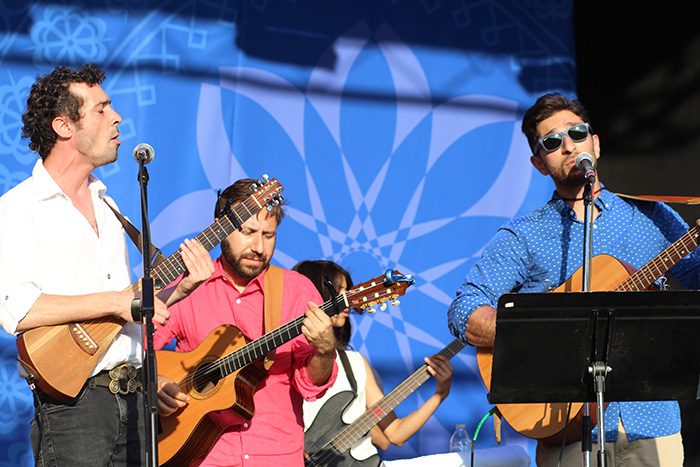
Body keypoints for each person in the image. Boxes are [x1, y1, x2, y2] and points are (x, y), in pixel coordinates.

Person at [447, 92, 700, 467]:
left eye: (577, 133)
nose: (568, 146)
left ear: (594, 143)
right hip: (564, 431)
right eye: (552, 142)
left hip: (652, 426)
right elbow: (462, 310)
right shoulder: (525, 235)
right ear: (539, 163)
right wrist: (544, 333)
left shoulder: (652, 216)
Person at [0, 64, 214, 467]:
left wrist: (179, 289)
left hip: (135, 399)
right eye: (102, 109)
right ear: (64, 126)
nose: (117, 118)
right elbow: (18, 308)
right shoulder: (19, 207)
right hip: (74, 406)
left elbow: (125, 312)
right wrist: (114, 302)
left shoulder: (109, 206)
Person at [155, 179, 338, 467]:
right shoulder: (187, 286)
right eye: (248, 232)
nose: (258, 247)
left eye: (268, 235)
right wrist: (156, 381)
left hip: (276, 455)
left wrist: (325, 351)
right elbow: (133, 351)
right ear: (220, 228)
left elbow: (311, 386)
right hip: (198, 455)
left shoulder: (297, 291)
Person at [294, 260, 454, 464]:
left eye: (348, 292)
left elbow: (395, 434)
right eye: (338, 291)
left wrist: (440, 395)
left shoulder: (355, 364)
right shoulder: (283, 360)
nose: (347, 300)